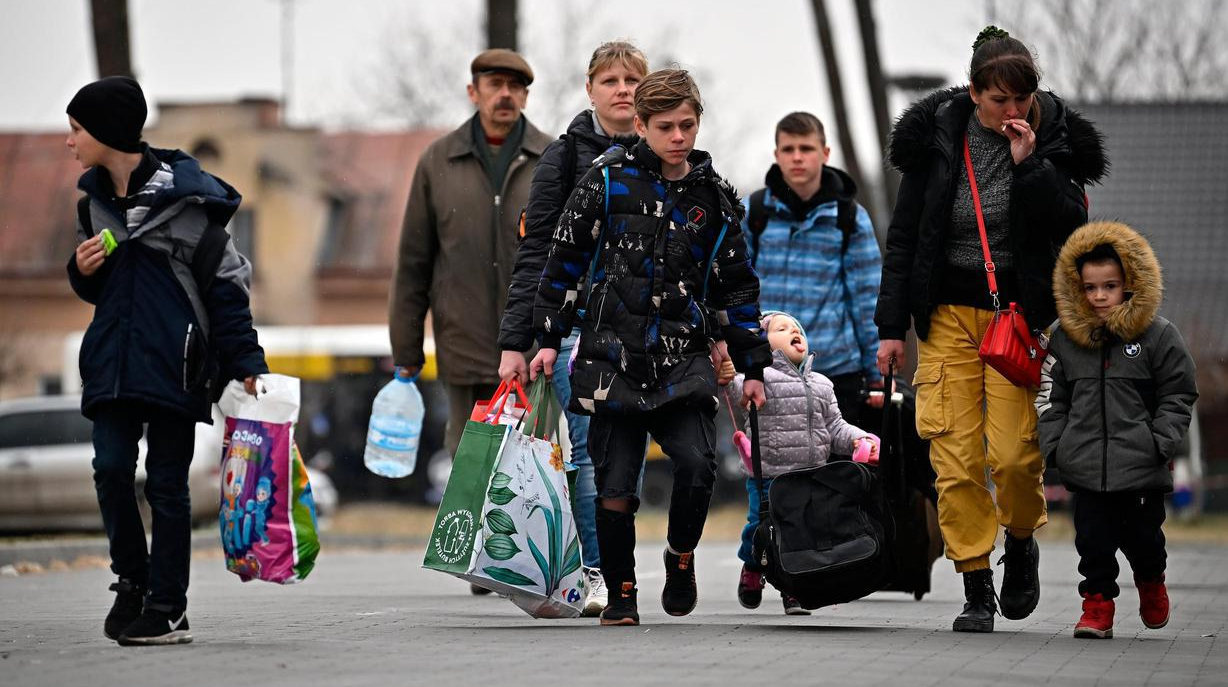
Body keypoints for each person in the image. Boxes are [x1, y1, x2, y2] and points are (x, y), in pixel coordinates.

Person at [874, 26, 1107, 633]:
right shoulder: (937, 142)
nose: (1012, 111)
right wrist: (890, 326)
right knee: (953, 457)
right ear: (973, 92)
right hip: (948, 314)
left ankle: (1022, 540)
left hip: (1018, 320)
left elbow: (1071, 221)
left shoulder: (1052, 137)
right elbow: (904, 239)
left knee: (1011, 455)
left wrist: (1031, 165)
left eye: (1021, 99)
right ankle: (976, 582)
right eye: (999, 99)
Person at [529, 69, 770, 626]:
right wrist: (543, 338)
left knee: (696, 466)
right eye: (666, 127)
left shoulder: (712, 197)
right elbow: (563, 262)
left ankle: (680, 557)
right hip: (611, 356)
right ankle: (623, 594)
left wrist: (752, 362)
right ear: (640, 125)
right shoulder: (605, 181)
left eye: (688, 125)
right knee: (613, 489)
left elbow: (736, 285)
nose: (679, 136)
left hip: (683, 358)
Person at [65, 76, 267, 645]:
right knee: (109, 470)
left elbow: (227, 289)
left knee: (167, 486)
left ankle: (168, 606)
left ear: (104, 131)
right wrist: (81, 273)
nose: (70, 141)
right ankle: (133, 579)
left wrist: (247, 360)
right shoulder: (91, 208)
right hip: (113, 365)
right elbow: (100, 293)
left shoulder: (190, 207)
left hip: (177, 367)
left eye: (76, 129)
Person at [389, 49, 551, 595]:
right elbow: (413, 262)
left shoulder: (551, 157)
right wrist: (406, 349)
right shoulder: (438, 160)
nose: (505, 94)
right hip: (461, 337)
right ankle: (483, 557)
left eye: (515, 86)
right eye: (494, 84)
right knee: (468, 452)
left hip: (534, 342)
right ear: (473, 91)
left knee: (535, 453)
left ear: (526, 96)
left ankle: (525, 557)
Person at [497, 40, 649, 616]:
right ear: (590, 90)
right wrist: (518, 341)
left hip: (643, 332)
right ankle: (597, 573)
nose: (622, 90)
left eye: (632, 79)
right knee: (589, 450)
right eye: (610, 80)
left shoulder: (661, 154)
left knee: (627, 455)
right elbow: (534, 253)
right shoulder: (562, 158)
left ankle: (626, 567)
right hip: (575, 328)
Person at [1036, 221, 1197, 639]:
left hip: (1140, 466)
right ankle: (1097, 606)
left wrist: (1159, 442)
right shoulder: (1065, 340)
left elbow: (1178, 393)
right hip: (1085, 465)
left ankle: (1150, 582)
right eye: (1090, 288)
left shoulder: (1158, 336)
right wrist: (1058, 447)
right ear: (1077, 289)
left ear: (1130, 284)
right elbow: (1050, 396)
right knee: (1092, 543)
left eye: (1109, 286)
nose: (1100, 296)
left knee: (1145, 541)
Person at [725, 311, 879, 615]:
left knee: (800, 534)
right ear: (763, 345)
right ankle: (752, 565)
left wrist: (859, 439)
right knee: (760, 526)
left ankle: (793, 588)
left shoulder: (822, 384)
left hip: (812, 477)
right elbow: (732, 389)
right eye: (782, 329)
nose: (795, 333)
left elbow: (835, 427)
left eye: (799, 330)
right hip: (769, 475)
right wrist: (728, 366)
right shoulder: (760, 378)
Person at [742, 112, 883, 428]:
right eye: (788, 149)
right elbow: (737, 289)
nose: (797, 158)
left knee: (841, 470)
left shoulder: (849, 217)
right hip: (769, 369)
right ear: (777, 155)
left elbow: (867, 299)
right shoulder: (755, 213)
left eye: (806, 148)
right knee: (776, 471)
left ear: (825, 153)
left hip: (836, 369)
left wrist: (876, 374)